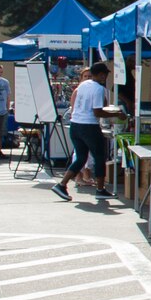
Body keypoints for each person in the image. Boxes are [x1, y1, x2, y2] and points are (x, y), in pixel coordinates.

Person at [52, 62, 126, 201]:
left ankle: (62, 184)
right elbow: (97, 111)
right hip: (89, 126)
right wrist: (117, 114)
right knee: (99, 157)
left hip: (76, 125)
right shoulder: (98, 89)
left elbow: (97, 105)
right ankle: (100, 189)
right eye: (105, 74)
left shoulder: (83, 85)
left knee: (81, 157)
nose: (106, 77)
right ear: (101, 74)